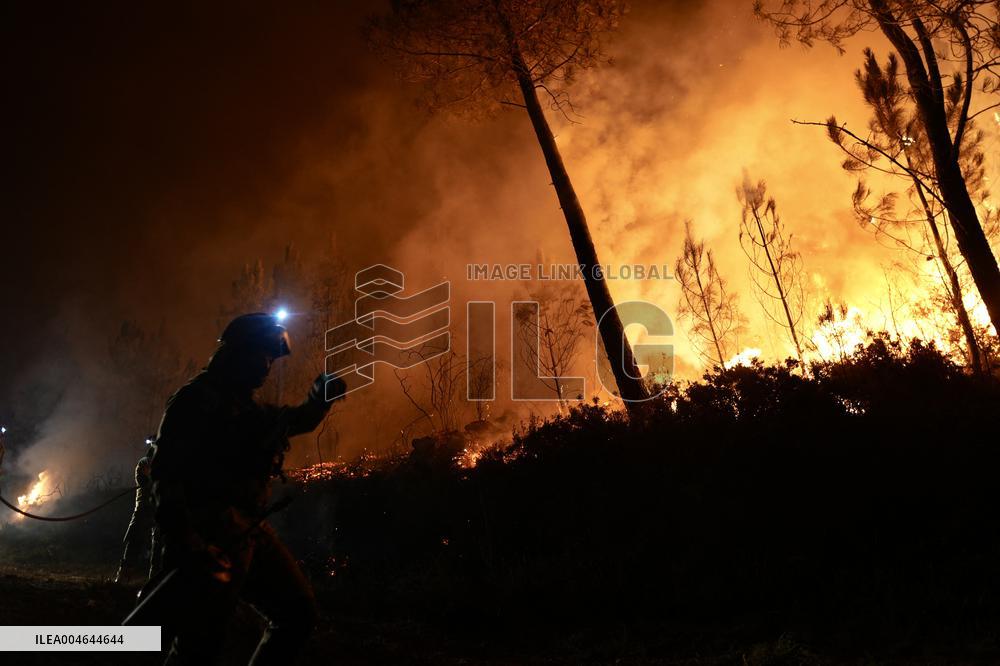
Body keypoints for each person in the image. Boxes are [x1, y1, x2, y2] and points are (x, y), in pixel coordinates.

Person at [149, 312, 345, 665]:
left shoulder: (247, 406)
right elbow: (165, 476)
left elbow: (290, 421)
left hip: (249, 531)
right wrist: (188, 541)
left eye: (272, 357)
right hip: (210, 535)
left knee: (297, 613)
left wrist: (319, 400)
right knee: (199, 645)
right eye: (264, 355)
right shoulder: (196, 401)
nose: (269, 365)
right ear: (240, 353)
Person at [114, 436, 161, 584]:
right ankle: (124, 575)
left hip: (161, 507)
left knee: (159, 543)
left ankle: (155, 578)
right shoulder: (145, 462)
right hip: (145, 508)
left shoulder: (171, 461)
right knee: (135, 540)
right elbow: (146, 478)